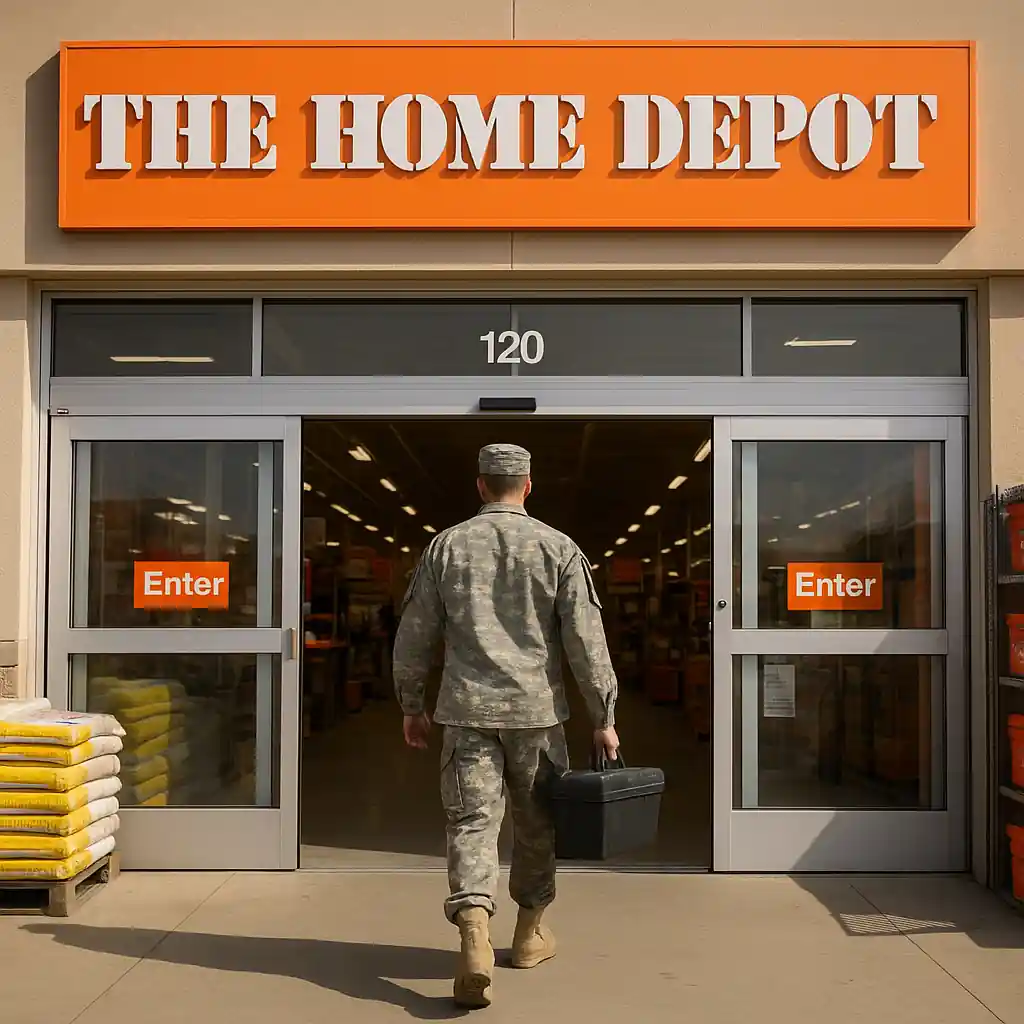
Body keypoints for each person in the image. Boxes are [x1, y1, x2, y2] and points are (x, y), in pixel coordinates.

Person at [392, 442, 620, 1009]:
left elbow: (414, 634)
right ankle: (527, 934)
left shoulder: (445, 546)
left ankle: (474, 935)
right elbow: (586, 644)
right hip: (538, 718)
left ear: (479, 485)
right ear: (527, 484)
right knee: (538, 824)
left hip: (466, 714)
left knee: (472, 824)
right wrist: (604, 717)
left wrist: (411, 703)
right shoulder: (558, 548)